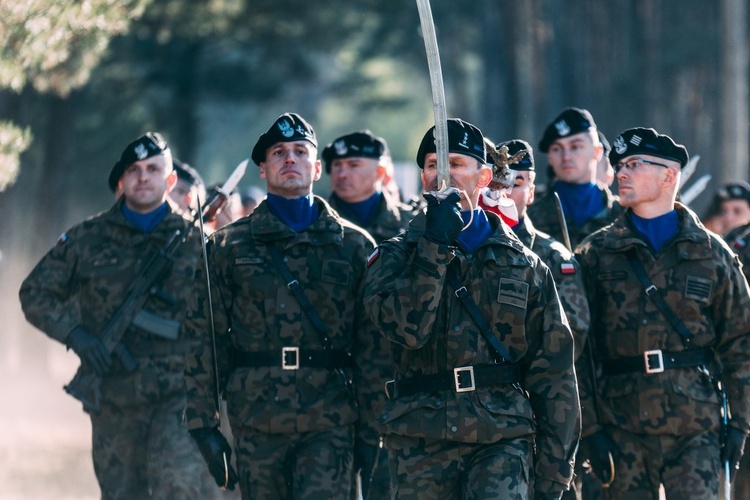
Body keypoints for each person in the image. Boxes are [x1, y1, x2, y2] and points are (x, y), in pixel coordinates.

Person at [364, 118, 580, 499]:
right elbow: (406, 330)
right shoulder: (394, 256)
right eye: (432, 165)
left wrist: (555, 472)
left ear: (483, 178)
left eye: (455, 165)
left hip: (501, 438)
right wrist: (433, 246)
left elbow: (554, 374)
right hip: (419, 439)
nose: (440, 175)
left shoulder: (524, 264)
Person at [183, 112, 391, 499]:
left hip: (331, 419)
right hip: (256, 419)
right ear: (263, 169)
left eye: (299, 151)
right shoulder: (228, 247)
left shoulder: (354, 246)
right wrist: (203, 425)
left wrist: (371, 431)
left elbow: (372, 350)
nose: (289, 159)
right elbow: (203, 338)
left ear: (316, 169)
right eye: (278, 153)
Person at [19, 132, 211, 498]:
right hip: (113, 394)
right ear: (121, 180)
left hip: (179, 397)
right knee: (123, 493)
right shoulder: (87, 238)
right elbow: (35, 293)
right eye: (134, 170)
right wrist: (77, 336)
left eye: (153, 169)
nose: (143, 177)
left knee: (178, 486)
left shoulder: (196, 243)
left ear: (170, 181)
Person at [575, 127, 750, 499]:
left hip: (696, 427)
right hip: (620, 424)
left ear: (669, 175)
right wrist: (589, 429)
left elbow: (740, 344)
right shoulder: (595, 254)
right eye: (618, 165)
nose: (620, 172)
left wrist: (740, 424)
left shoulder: (713, 255)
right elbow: (579, 351)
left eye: (634, 164)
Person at [528, 107, 622, 248]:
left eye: (575, 147)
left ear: (597, 151)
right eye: (557, 149)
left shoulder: (623, 215)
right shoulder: (530, 217)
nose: (566, 157)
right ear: (550, 158)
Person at [322, 129, 417, 244]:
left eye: (353, 165)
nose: (342, 174)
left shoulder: (412, 224)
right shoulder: (316, 220)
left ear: (380, 171)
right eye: (337, 165)